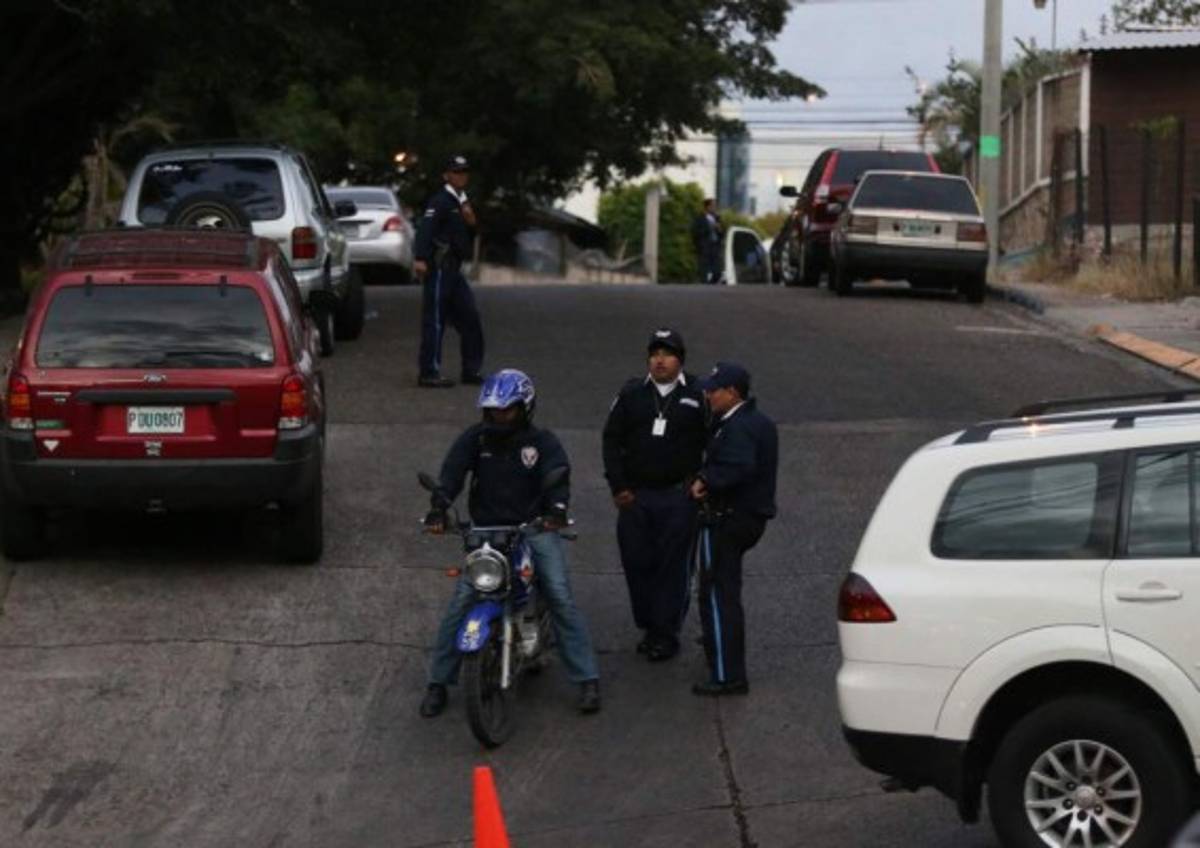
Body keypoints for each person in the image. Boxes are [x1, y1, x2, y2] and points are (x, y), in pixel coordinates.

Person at [419, 369, 601, 717]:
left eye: (507, 410)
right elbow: (452, 473)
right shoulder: (475, 440)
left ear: (525, 408)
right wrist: (439, 507)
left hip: (534, 530)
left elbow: (558, 476)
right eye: (493, 410)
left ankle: (587, 678)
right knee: (462, 602)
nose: (500, 416)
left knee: (560, 595)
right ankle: (438, 683)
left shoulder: (542, 443)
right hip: (486, 534)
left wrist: (557, 510)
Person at [602, 328, 707, 661]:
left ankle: (665, 632)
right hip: (636, 498)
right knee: (637, 563)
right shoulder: (632, 393)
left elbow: (716, 439)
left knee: (672, 567)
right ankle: (649, 624)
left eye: (667, 353)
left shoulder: (699, 393)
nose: (660, 360)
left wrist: (704, 480)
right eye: (654, 353)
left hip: (678, 498)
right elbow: (611, 440)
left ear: (680, 359)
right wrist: (618, 486)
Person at [689, 362, 778, 696]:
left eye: (715, 389)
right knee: (725, 591)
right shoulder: (758, 422)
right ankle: (718, 643)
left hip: (726, 518)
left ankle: (727, 674)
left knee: (716, 595)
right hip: (748, 519)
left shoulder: (737, 427)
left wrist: (705, 481)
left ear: (733, 393)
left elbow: (739, 466)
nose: (708, 394)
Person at [413, 155, 485, 388]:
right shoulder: (441, 201)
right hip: (440, 268)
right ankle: (429, 372)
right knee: (435, 321)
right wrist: (421, 258)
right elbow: (425, 229)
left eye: (464, 171)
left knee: (470, 318)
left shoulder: (462, 202)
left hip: (455, 270)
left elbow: (468, 236)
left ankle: (471, 370)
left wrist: (472, 222)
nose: (461, 175)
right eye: (456, 171)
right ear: (446, 175)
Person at [691, 198, 723, 285]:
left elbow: (722, 233)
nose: (715, 208)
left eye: (715, 206)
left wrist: (719, 230)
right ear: (707, 207)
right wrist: (709, 228)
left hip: (715, 246)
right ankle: (705, 288)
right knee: (703, 271)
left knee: (718, 272)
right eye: (713, 206)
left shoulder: (717, 218)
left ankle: (710, 285)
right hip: (704, 247)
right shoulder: (699, 218)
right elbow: (695, 232)